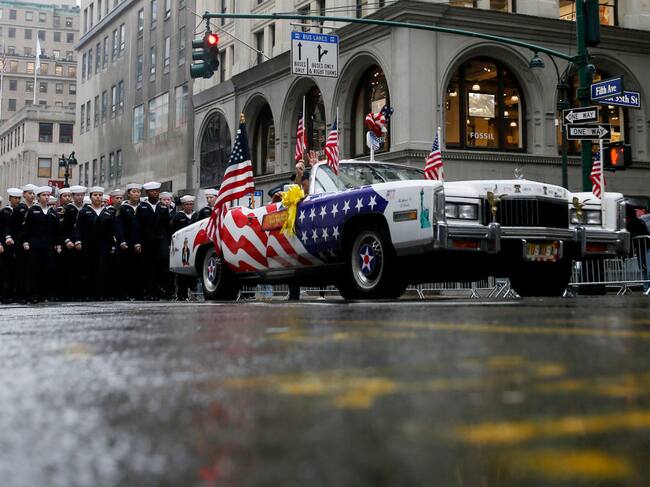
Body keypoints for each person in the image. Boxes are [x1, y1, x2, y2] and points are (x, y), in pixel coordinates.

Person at [75, 187, 119, 300]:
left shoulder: (108, 212)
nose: (98, 197)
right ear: (90, 197)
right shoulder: (84, 212)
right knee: (88, 269)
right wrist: (78, 240)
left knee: (102, 268)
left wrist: (113, 244)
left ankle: (101, 294)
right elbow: (79, 228)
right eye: (95, 195)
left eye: (100, 195)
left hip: (104, 245)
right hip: (88, 244)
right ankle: (88, 294)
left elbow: (113, 230)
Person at [22, 187, 62, 303]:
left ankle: (45, 294)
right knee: (34, 270)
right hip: (35, 246)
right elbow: (26, 228)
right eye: (44, 195)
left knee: (48, 270)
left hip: (48, 246)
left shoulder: (52, 212)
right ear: (38, 197)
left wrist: (58, 244)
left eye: (48, 195)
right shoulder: (33, 210)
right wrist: (25, 241)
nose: (47, 197)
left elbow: (57, 231)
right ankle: (33, 295)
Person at [134, 181, 171, 300]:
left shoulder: (163, 207)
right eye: (153, 191)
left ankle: (160, 290)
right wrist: (138, 242)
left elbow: (167, 227)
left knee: (162, 264)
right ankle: (149, 291)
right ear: (148, 193)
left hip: (161, 240)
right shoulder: (142, 207)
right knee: (148, 267)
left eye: (157, 191)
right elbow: (137, 226)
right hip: (147, 241)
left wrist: (169, 242)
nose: (156, 193)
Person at [117, 183, 143, 300]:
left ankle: (139, 293)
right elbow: (119, 226)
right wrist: (122, 241)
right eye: (134, 191)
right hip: (127, 243)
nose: (136, 194)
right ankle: (124, 293)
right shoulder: (123, 208)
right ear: (128, 194)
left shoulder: (143, 207)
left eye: (138, 191)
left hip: (141, 242)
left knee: (139, 269)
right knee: (126, 269)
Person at [171, 195, 198, 300]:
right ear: (183, 205)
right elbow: (173, 232)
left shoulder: (197, 216)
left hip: (193, 246)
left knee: (193, 268)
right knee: (182, 271)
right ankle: (182, 294)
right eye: (187, 204)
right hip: (181, 246)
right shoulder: (178, 216)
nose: (189, 206)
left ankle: (193, 292)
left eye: (191, 204)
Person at [1, 188, 23, 303]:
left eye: (19, 198)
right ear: (10, 198)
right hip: (7, 243)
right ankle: (5, 294)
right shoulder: (5, 211)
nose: (17, 200)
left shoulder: (21, 210)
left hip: (18, 243)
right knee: (7, 269)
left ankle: (16, 294)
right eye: (15, 198)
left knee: (17, 269)